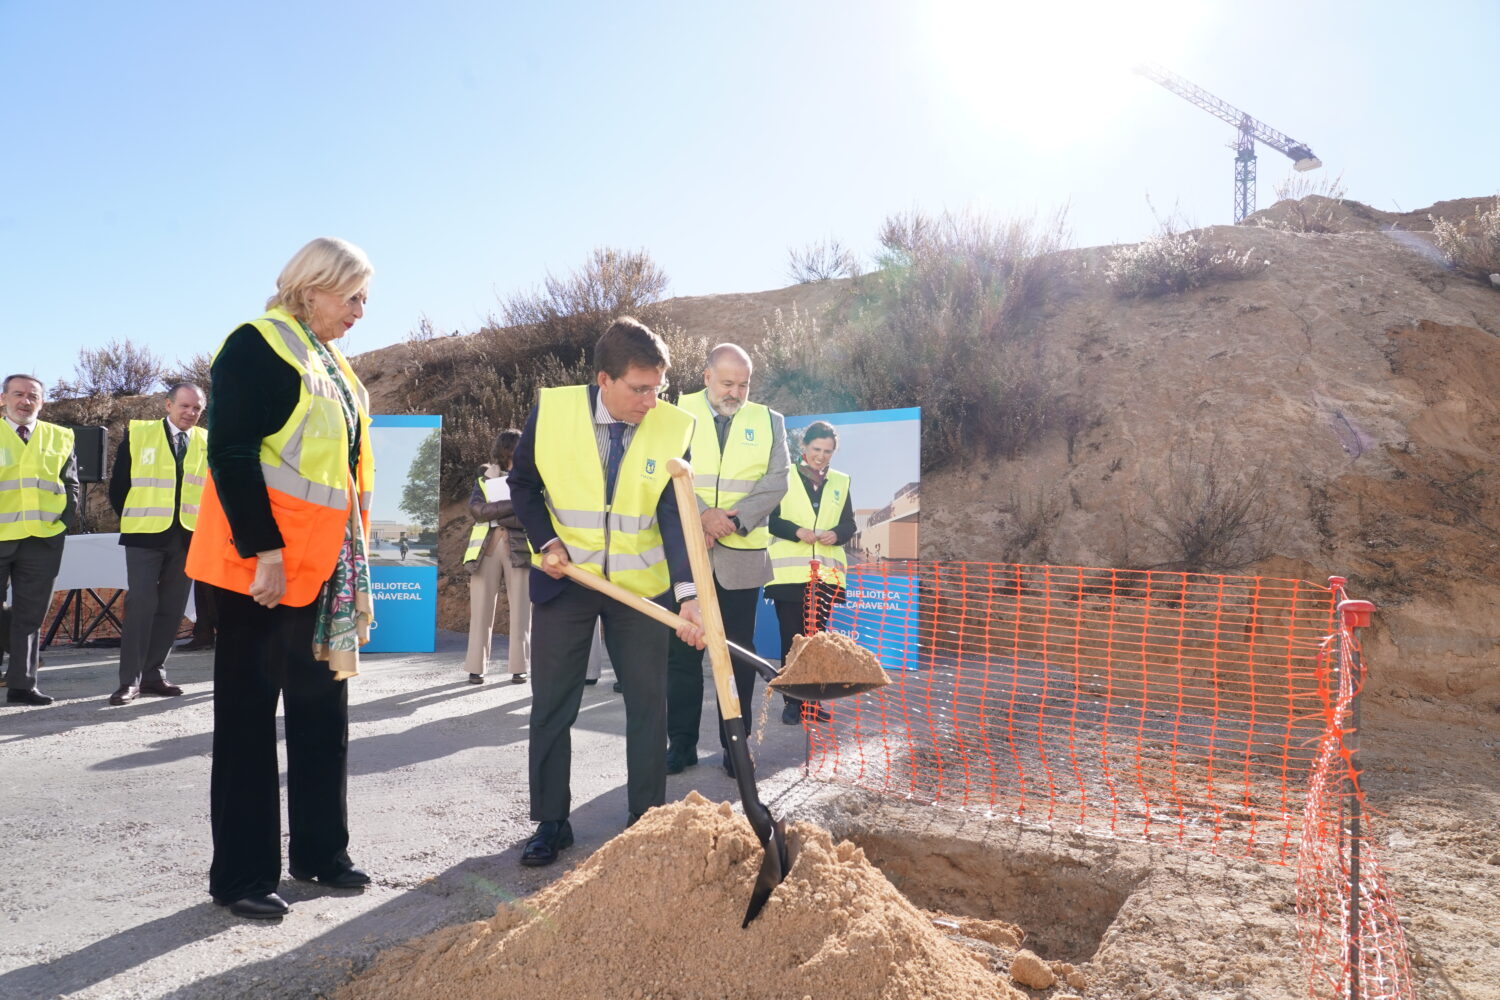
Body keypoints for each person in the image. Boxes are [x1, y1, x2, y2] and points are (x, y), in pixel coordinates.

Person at [185, 237, 376, 920]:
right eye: (352, 296)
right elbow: (231, 453)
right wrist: (264, 549)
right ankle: (241, 875)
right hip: (257, 568)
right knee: (246, 719)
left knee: (323, 713)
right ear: (312, 288)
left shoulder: (333, 363)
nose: (360, 310)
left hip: (320, 570)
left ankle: (321, 855)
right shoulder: (258, 345)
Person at [508, 316, 706, 866]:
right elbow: (523, 484)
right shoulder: (552, 411)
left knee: (648, 705)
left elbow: (673, 514)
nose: (651, 401)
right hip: (566, 582)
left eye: (657, 388)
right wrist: (546, 541)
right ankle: (551, 822)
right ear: (604, 380)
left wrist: (688, 594)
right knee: (552, 705)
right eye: (639, 389)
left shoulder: (673, 424)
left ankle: (646, 821)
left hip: (640, 592)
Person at [665, 344, 789, 777]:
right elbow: (663, 474)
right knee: (679, 652)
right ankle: (679, 745)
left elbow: (777, 482)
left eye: (743, 384)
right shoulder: (673, 413)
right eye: (727, 383)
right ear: (706, 378)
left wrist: (731, 522)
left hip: (740, 555)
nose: (735, 392)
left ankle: (734, 747)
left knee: (737, 653)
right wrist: (701, 515)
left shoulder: (770, 421)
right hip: (685, 555)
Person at [106, 382, 208, 705]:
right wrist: (137, 518)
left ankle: (154, 675)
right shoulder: (139, 435)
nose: (190, 413)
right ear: (168, 405)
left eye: (196, 409)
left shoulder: (207, 442)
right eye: (184, 406)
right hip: (144, 535)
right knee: (141, 604)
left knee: (172, 608)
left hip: (187, 536)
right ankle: (129, 682)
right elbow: (119, 487)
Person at [766, 420, 855, 725]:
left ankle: (812, 704)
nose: (821, 455)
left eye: (827, 451)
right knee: (793, 642)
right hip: (790, 578)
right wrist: (796, 531)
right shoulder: (784, 476)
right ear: (803, 448)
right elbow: (770, 519)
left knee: (816, 640)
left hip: (826, 579)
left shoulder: (841, 482)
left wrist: (837, 534)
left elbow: (849, 524)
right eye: (816, 449)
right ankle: (793, 703)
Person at [1, 374, 79, 706]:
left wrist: (63, 523)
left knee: (31, 616)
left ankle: (23, 685)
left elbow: (71, 484)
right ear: (3, 398)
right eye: (18, 394)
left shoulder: (60, 436)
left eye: (33, 396)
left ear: (42, 402)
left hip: (42, 541)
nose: (25, 401)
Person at [462, 428, 530, 686]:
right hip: (486, 549)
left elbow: (529, 515)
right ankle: (476, 667)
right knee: (480, 610)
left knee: (522, 611)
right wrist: (516, 504)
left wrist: (499, 511)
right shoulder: (484, 476)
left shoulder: (532, 477)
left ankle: (519, 667)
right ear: (505, 450)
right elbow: (477, 511)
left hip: (519, 548)